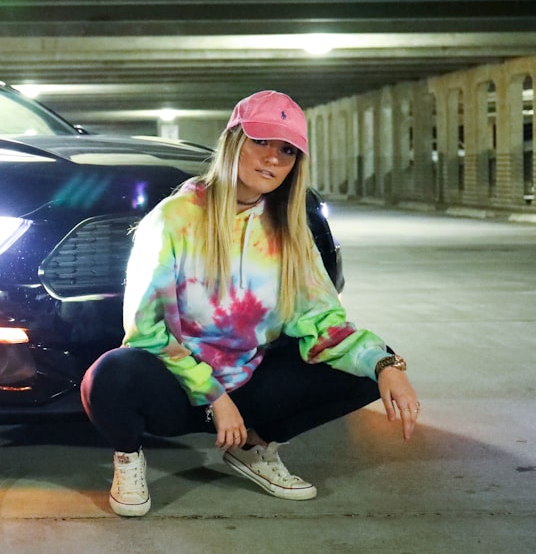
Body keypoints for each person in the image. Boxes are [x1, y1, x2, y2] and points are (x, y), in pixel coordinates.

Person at [80, 90, 419, 517]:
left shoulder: (288, 232)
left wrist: (387, 365)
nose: (273, 159)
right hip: (176, 388)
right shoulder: (175, 218)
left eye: (287, 150)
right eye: (261, 141)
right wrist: (215, 397)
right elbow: (146, 332)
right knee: (110, 375)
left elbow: (323, 323)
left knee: (370, 367)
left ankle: (254, 450)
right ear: (233, 141)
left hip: (248, 385)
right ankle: (128, 457)